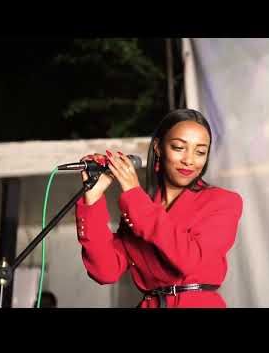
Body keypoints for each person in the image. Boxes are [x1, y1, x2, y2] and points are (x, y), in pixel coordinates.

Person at [74, 109, 243, 308]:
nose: (189, 160)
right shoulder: (139, 209)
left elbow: (190, 261)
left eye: (200, 152)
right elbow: (104, 271)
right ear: (158, 148)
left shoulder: (222, 201)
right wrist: (93, 200)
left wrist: (134, 195)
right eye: (179, 147)